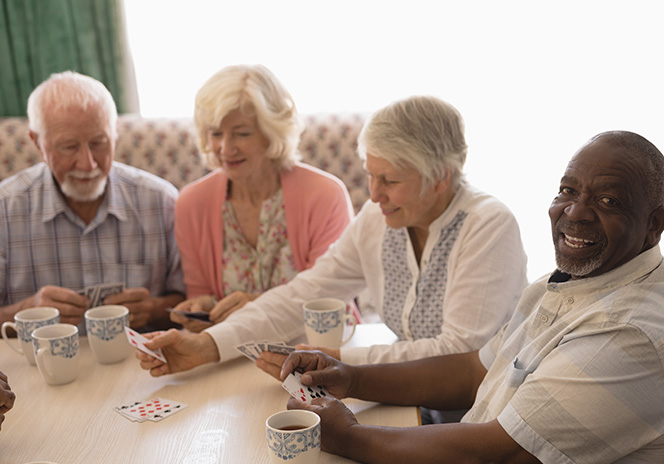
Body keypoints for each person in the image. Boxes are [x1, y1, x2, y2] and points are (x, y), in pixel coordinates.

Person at [259, 131, 664, 464]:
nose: (575, 212)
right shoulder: (574, 283)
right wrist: (353, 377)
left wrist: (351, 436)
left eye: (608, 200)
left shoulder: (630, 332)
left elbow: (498, 456)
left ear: (655, 225)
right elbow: (473, 371)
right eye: (567, 191)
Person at [136, 95, 528, 423]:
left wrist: (336, 363)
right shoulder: (379, 219)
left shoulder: (488, 225)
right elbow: (302, 293)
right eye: (370, 175)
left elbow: (457, 356)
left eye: (390, 181)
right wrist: (206, 344)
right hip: (406, 402)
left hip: (481, 414)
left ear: (441, 177)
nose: (373, 195)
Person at [171, 65, 353, 330]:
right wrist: (201, 308)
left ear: (272, 132)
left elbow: (328, 299)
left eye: (242, 133)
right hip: (230, 350)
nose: (226, 148)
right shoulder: (191, 204)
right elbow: (199, 293)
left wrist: (258, 306)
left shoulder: (325, 196)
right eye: (216, 133)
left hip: (318, 350)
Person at [0, 71, 185, 330]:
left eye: (99, 143)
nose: (88, 164)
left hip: (141, 366)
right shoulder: (5, 210)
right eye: (69, 147)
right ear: (37, 143)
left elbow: (195, 303)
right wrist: (23, 311)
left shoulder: (162, 202)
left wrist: (154, 310)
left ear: (115, 134)